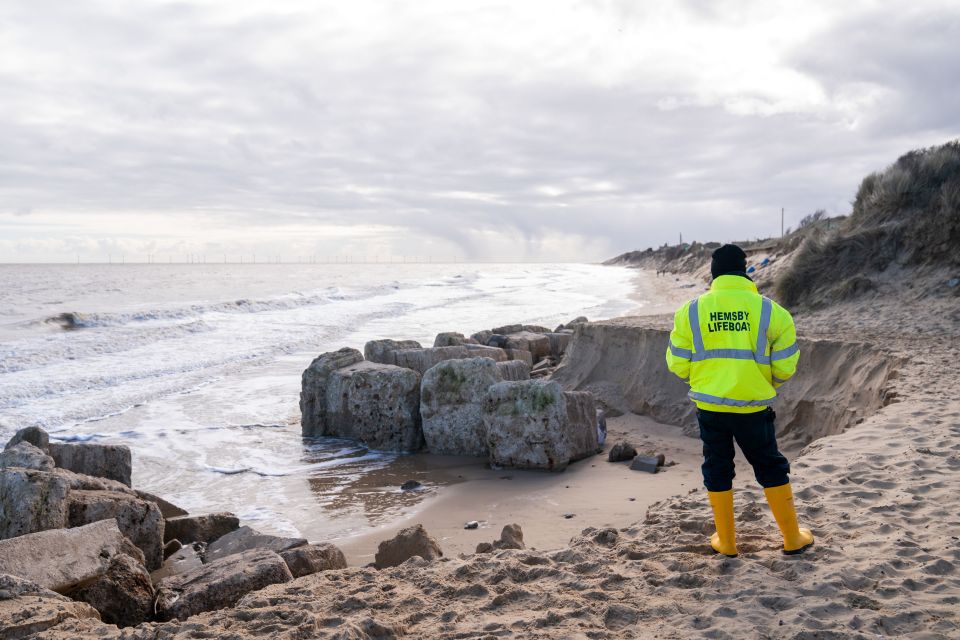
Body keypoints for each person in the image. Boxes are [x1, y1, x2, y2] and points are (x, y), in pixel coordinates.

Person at [665, 244, 813, 557]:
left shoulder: (691, 311)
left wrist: (705, 380)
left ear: (713, 273)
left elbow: (678, 363)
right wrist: (763, 382)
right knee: (769, 465)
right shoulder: (771, 311)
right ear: (745, 271)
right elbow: (786, 363)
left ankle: (727, 542)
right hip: (753, 406)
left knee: (717, 467)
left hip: (710, 407)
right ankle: (792, 538)